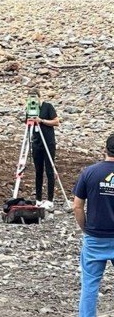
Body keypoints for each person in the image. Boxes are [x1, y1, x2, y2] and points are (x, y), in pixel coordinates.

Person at [73, 134, 114, 316]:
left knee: (89, 285)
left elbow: (77, 206)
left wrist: (85, 228)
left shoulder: (89, 172)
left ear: (105, 149)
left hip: (95, 238)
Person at [29, 88, 60, 209]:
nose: (33, 99)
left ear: (39, 96)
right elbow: (28, 123)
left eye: (34, 96)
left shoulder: (48, 106)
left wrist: (41, 121)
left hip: (48, 142)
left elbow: (56, 122)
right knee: (38, 171)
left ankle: (50, 199)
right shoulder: (31, 109)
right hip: (37, 143)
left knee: (49, 170)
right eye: (30, 97)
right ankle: (38, 199)